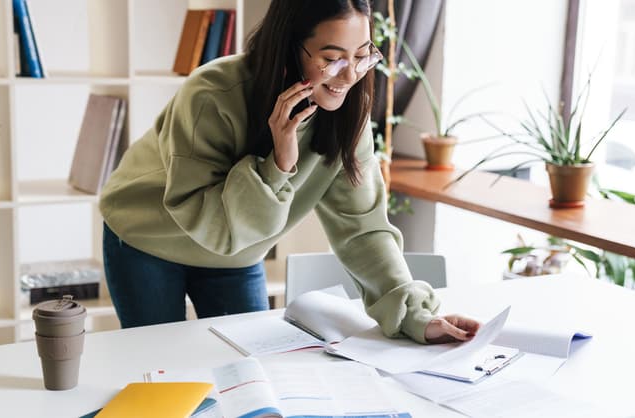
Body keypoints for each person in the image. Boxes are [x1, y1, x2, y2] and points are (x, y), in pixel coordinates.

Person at [99, 0, 480, 344]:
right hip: (147, 241)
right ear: (288, 49)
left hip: (239, 253)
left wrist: (416, 316)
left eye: (362, 56)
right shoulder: (212, 94)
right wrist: (279, 162)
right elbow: (213, 225)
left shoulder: (347, 116)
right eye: (332, 59)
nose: (350, 77)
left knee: (250, 371)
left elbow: (363, 228)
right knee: (159, 370)